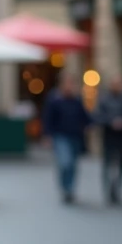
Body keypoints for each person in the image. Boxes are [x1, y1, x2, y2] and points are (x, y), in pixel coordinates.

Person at [42, 74, 91, 204]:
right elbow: (48, 118)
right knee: (65, 162)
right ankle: (65, 187)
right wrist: (47, 135)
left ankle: (70, 189)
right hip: (60, 136)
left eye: (71, 83)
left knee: (73, 165)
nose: (69, 86)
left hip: (75, 136)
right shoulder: (55, 99)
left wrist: (88, 125)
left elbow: (85, 117)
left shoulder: (77, 100)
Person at [93, 75, 122, 205]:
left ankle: (117, 189)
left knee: (121, 164)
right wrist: (111, 122)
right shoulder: (104, 99)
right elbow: (98, 116)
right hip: (109, 136)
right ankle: (108, 189)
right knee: (107, 163)